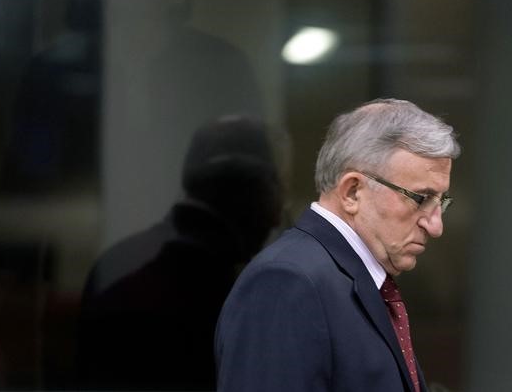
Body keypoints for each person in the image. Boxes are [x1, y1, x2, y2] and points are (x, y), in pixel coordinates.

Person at [215, 98, 461, 392]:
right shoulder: (286, 282)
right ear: (353, 192)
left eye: (440, 202)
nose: (435, 226)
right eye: (421, 199)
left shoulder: (353, 280)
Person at [76, 115, 283, 391]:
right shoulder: (220, 289)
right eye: (274, 190)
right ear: (252, 192)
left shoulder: (116, 262)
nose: (276, 218)